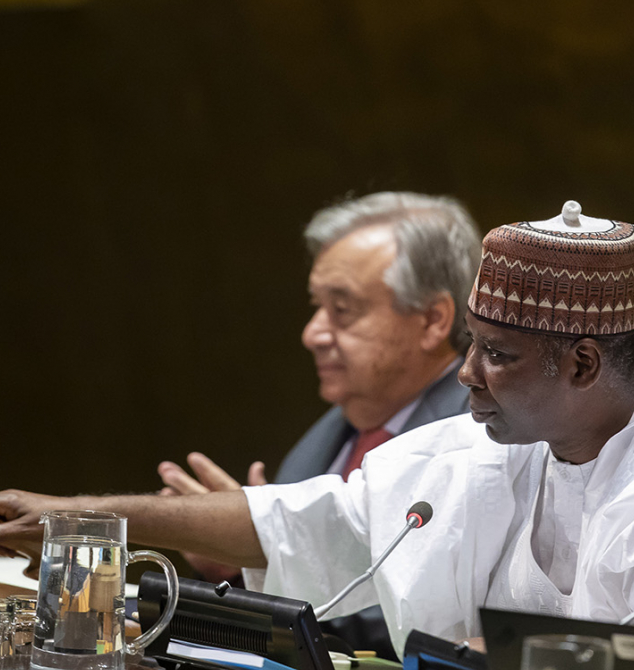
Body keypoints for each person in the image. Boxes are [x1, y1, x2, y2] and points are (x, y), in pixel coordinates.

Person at [0, 202, 634, 669]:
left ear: (585, 364)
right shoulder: (492, 445)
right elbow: (304, 522)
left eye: (497, 355)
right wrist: (76, 515)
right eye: (472, 348)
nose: (468, 375)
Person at [156, 191, 481, 656]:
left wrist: (260, 563)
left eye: (342, 309)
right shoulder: (333, 430)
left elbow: (415, 623)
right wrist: (235, 561)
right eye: (317, 306)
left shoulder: (475, 440)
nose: (313, 333)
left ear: (432, 320)